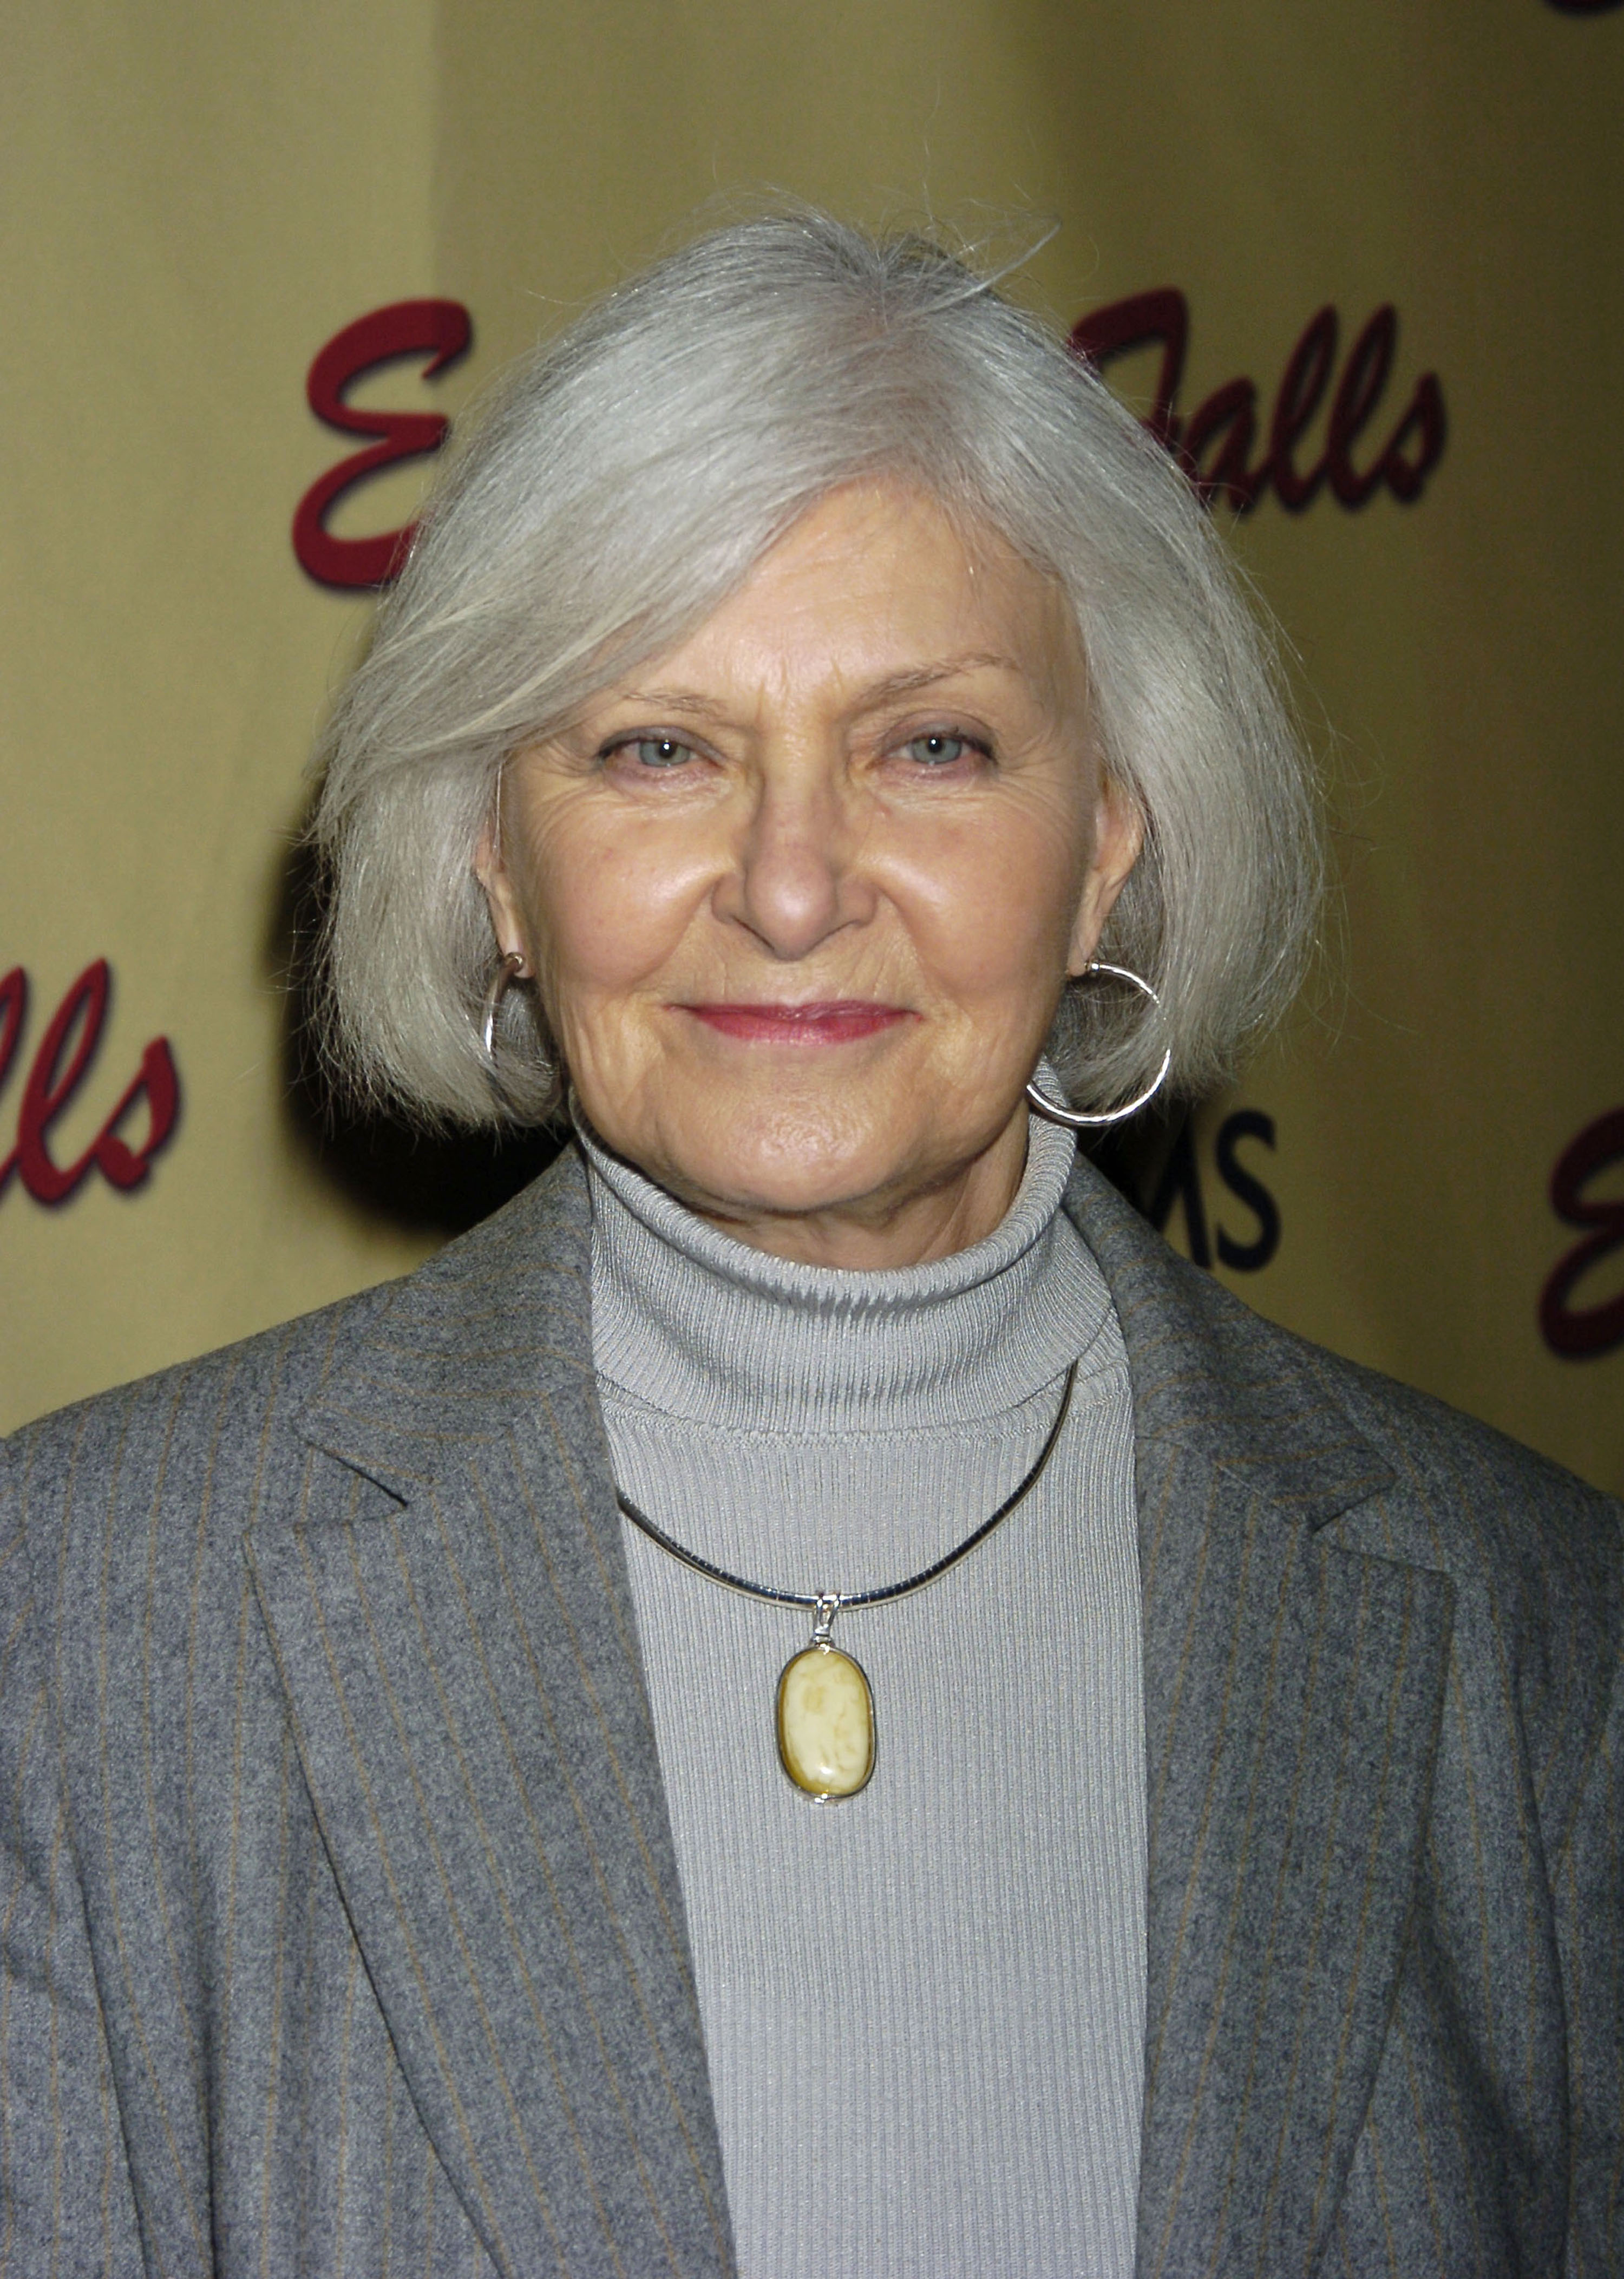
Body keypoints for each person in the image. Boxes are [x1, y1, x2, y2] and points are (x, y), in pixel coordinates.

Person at [2, 213, 1618, 2279]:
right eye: (655, 747)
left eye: (928, 745)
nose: (787, 887)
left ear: (1108, 833)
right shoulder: (75, 1633)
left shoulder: (1546, 1654)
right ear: (497, 855)